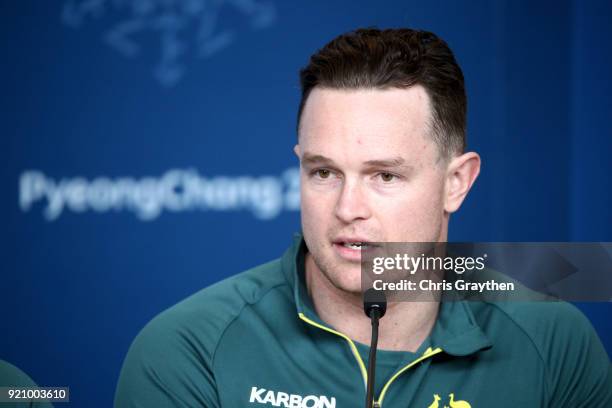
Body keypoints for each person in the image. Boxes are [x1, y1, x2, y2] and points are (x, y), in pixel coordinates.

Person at [114, 28, 612, 407]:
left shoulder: (553, 341)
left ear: (456, 183)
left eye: (385, 177)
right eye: (325, 172)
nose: (348, 209)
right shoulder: (188, 349)